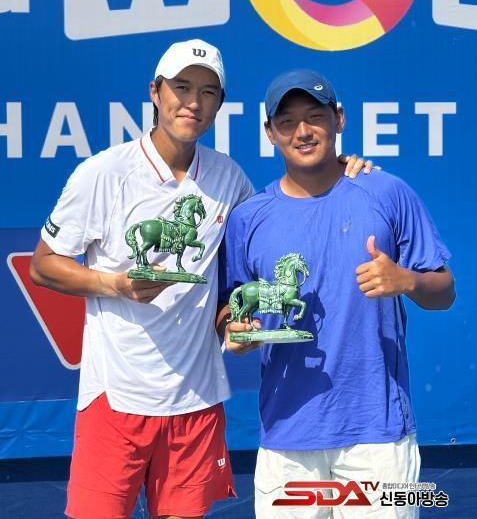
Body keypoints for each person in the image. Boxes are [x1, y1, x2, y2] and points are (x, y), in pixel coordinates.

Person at [30, 40, 370, 519]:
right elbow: (43, 264)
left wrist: (343, 170)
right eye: (182, 87)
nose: (193, 102)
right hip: (115, 398)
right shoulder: (103, 172)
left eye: (208, 92)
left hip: (196, 403)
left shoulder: (229, 178)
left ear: (219, 104)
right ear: (155, 92)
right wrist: (116, 285)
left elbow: (246, 265)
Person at [218, 69, 455, 519]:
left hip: (379, 438)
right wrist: (235, 329)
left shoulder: (387, 191)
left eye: (315, 116)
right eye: (287, 121)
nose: (302, 131)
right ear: (270, 133)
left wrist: (406, 280)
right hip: (286, 439)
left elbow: (444, 291)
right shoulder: (248, 218)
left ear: (339, 119)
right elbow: (230, 307)